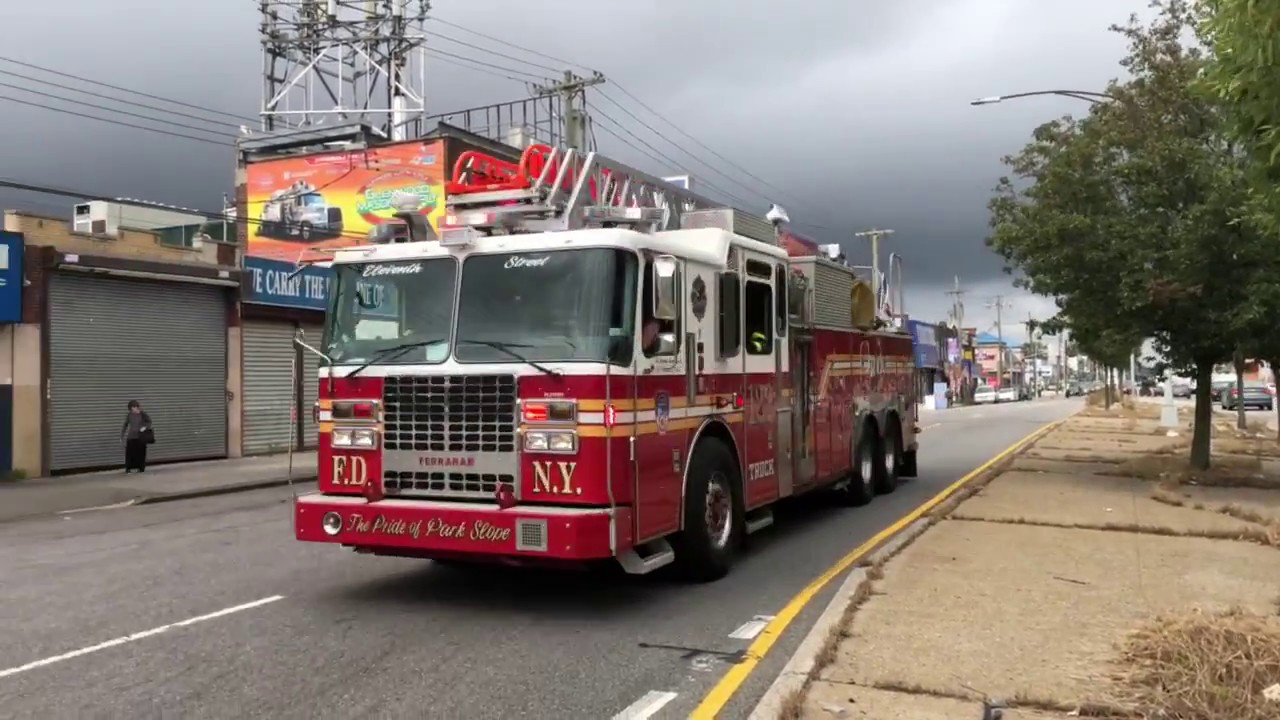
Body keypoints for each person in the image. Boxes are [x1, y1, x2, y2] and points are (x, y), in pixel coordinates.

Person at [120, 400, 153, 473]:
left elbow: (149, 422)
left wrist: (144, 427)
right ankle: (128, 468)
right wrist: (122, 436)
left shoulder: (143, 414)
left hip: (140, 437)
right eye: (133, 407)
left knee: (141, 453)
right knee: (130, 454)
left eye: (136, 406)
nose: (135, 408)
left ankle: (141, 468)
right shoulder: (129, 415)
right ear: (130, 408)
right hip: (131, 437)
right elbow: (125, 425)